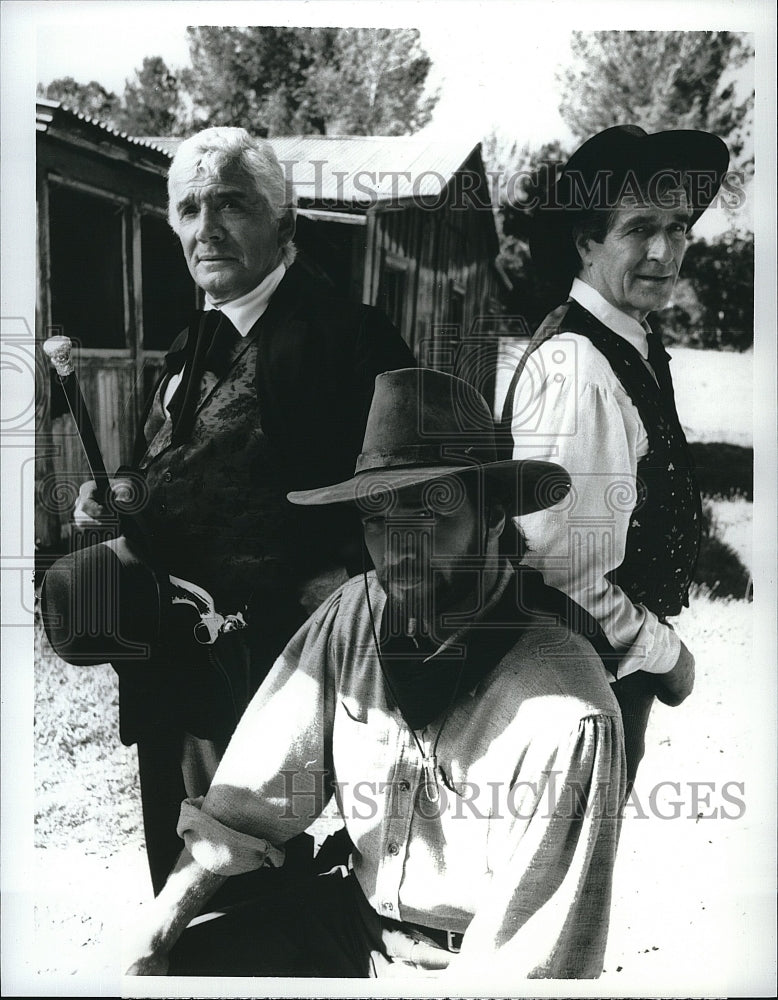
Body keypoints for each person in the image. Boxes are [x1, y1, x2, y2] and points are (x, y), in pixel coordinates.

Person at [124, 368, 626, 981]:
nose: (400, 549)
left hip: (464, 965)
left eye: (432, 512)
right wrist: (151, 940)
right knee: (176, 971)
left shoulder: (567, 712)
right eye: (377, 517)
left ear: (494, 516)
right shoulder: (353, 617)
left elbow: (526, 965)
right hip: (351, 926)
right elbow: (250, 798)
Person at [71, 126, 415, 894]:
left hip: (277, 672)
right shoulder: (189, 343)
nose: (206, 228)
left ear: (283, 225)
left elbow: (417, 489)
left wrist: (354, 580)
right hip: (168, 659)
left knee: (255, 878)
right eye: (189, 209)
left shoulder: (349, 337)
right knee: (178, 871)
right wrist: (117, 494)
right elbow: (169, 470)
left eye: (231, 203)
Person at [500, 124, 730, 787]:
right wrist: (667, 656)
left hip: (597, 677)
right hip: (572, 686)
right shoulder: (582, 365)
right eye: (638, 228)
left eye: (678, 227)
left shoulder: (626, 343)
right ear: (586, 242)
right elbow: (563, 572)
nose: (664, 250)